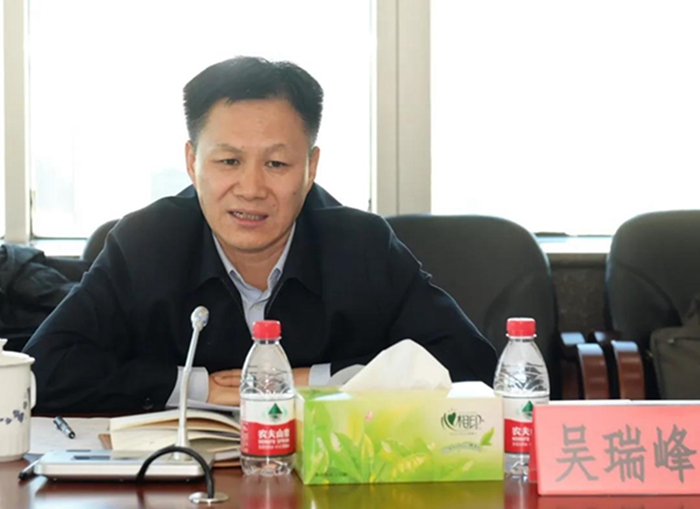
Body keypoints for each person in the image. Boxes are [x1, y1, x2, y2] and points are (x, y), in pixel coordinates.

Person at [24, 56, 497, 413]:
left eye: (276, 163)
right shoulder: (146, 243)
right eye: (228, 161)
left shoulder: (361, 246)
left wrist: (313, 382)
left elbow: (472, 364)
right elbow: (42, 369)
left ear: (310, 168)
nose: (251, 189)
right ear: (192, 162)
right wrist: (199, 387)